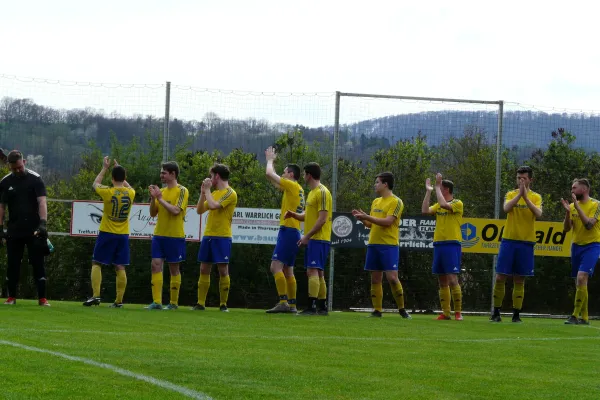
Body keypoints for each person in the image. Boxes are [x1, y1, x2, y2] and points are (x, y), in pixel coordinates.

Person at [353, 172, 411, 319]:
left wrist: (367, 216)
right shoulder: (376, 202)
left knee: (392, 278)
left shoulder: (396, 202)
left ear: (385, 184)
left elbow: (387, 222)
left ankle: (402, 309)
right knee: (375, 279)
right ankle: (377, 311)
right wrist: (361, 218)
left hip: (389, 245)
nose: (375, 185)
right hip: (373, 244)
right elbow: (370, 224)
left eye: (377, 182)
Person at [490, 166, 542, 323]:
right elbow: (506, 208)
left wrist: (525, 197)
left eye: (524, 178)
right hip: (509, 240)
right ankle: (496, 313)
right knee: (500, 277)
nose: (521, 180)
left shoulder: (536, 197)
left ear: (530, 180)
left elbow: (538, 214)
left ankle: (516, 314)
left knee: (520, 279)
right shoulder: (511, 194)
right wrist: (519, 194)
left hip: (526, 242)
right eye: (519, 178)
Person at [83, 157, 135, 308]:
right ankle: (118, 301)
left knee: (96, 262)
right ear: (124, 178)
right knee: (120, 266)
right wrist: (120, 169)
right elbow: (128, 186)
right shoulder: (131, 193)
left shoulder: (108, 192)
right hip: (123, 234)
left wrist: (105, 168)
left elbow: (95, 184)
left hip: (107, 232)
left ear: (112, 179)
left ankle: (96, 296)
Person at [0, 150, 50, 306]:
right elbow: (1, 207)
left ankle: (42, 299)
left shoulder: (36, 179)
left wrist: (43, 223)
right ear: (9, 166)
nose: (17, 170)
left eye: (19, 167)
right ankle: (11, 297)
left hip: (34, 229)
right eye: (14, 168)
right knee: (13, 263)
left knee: (38, 263)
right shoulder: (5, 182)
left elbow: (42, 202)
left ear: (24, 162)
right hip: (14, 229)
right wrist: (0, 228)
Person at [285, 162, 331, 316]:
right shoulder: (312, 192)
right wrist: (294, 215)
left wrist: (307, 236)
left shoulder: (322, 192)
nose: (303, 177)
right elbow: (308, 215)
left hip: (319, 238)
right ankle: (322, 307)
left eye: (304, 174)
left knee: (312, 271)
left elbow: (322, 219)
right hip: (315, 238)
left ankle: (312, 307)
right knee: (318, 272)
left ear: (309, 175)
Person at [264, 146, 304, 313]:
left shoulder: (292, 186)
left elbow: (269, 174)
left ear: (291, 175)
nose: (282, 174)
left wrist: (270, 160)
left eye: (285, 172)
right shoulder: (296, 188)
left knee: (275, 267)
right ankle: (292, 305)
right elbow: (273, 180)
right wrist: (272, 167)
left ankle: (283, 303)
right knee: (288, 270)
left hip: (288, 230)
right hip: (294, 231)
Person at [193, 164, 238, 312]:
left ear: (217, 176)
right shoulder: (214, 193)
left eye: (211, 176)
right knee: (204, 268)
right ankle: (200, 303)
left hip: (222, 236)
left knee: (223, 270)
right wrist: (202, 193)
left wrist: (207, 190)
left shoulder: (230, 193)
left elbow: (213, 206)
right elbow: (199, 210)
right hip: (209, 235)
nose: (209, 178)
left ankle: (223, 304)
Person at [147, 161, 189, 310]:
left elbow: (176, 210)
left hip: (175, 236)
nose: (161, 175)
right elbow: (153, 213)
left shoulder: (182, 190)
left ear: (173, 174)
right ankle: (157, 302)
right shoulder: (162, 192)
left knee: (173, 269)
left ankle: (173, 303)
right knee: (155, 265)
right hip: (159, 235)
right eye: (161, 172)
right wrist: (153, 198)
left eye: (164, 173)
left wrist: (160, 199)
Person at [422, 173, 464, 321]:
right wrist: (428, 191)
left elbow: (444, 205)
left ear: (446, 189)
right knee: (442, 280)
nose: (438, 189)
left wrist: (437, 187)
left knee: (453, 278)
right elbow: (425, 210)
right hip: (439, 244)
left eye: (441, 188)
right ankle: (446, 313)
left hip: (452, 243)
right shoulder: (437, 205)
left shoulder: (457, 203)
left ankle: (458, 313)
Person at [561, 178, 600, 325]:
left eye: (574, 188)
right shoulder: (572, 206)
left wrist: (577, 207)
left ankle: (574, 316)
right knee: (580, 282)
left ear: (584, 189)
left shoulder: (596, 205)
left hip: (592, 246)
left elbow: (589, 225)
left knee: (581, 277)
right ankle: (585, 317)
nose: (572, 191)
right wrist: (567, 212)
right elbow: (566, 229)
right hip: (576, 246)